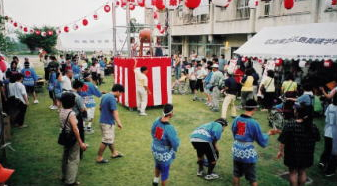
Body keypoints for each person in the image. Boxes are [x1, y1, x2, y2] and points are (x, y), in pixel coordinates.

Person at [232, 99, 277, 186]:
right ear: (255, 108)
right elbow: (260, 138)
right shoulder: (253, 123)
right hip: (247, 152)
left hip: (236, 149)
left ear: (245, 107)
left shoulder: (237, 119)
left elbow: (234, 131)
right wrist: (269, 133)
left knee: (236, 173)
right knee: (252, 178)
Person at [277, 106, 320, 186]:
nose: (294, 111)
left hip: (292, 154)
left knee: (293, 172)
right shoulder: (313, 126)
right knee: (302, 171)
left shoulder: (290, 124)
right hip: (307, 154)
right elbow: (317, 138)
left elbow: (282, 140)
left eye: (295, 110)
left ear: (297, 113)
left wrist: (280, 151)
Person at [59, 92, 87, 186]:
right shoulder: (71, 114)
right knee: (73, 159)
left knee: (65, 156)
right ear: (72, 102)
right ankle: (70, 181)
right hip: (72, 138)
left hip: (65, 137)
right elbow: (75, 129)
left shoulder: (61, 111)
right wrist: (81, 142)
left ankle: (64, 176)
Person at [151, 104, 180, 186]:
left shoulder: (157, 120)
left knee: (157, 164)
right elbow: (175, 142)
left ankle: (155, 181)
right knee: (165, 172)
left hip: (155, 148)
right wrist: (175, 149)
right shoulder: (169, 128)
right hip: (163, 153)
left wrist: (156, 141)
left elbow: (152, 131)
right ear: (171, 114)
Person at [96, 84, 124, 164]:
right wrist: (119, 122)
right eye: (121, 93)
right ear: (118, 91)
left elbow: (100, 108)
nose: (121, 95)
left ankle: (114, 153)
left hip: (103, 121)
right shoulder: (112, 99)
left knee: (109, 138)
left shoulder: (105, 95)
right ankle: (99, 157)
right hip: (107, 122)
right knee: (106, 140)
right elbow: (114, 112)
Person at [319, 93, 337, 177]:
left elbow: (326, 116)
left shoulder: (330, 106)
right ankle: (329, 170)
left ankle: (322, 162)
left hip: (328, 130)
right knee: (334, 152)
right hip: (334, 132)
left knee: (327, 148)